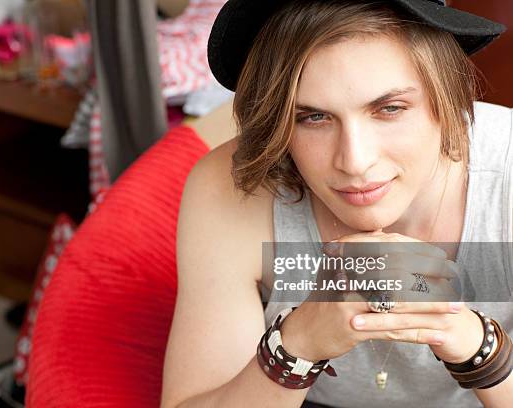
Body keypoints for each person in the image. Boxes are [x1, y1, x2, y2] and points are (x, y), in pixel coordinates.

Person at [161, 1, 513, 407]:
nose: (355, 161)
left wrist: (477, 347)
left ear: (446, 95)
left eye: (390, 109)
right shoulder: (233, 187)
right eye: (313, 117)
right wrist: (298, 344)